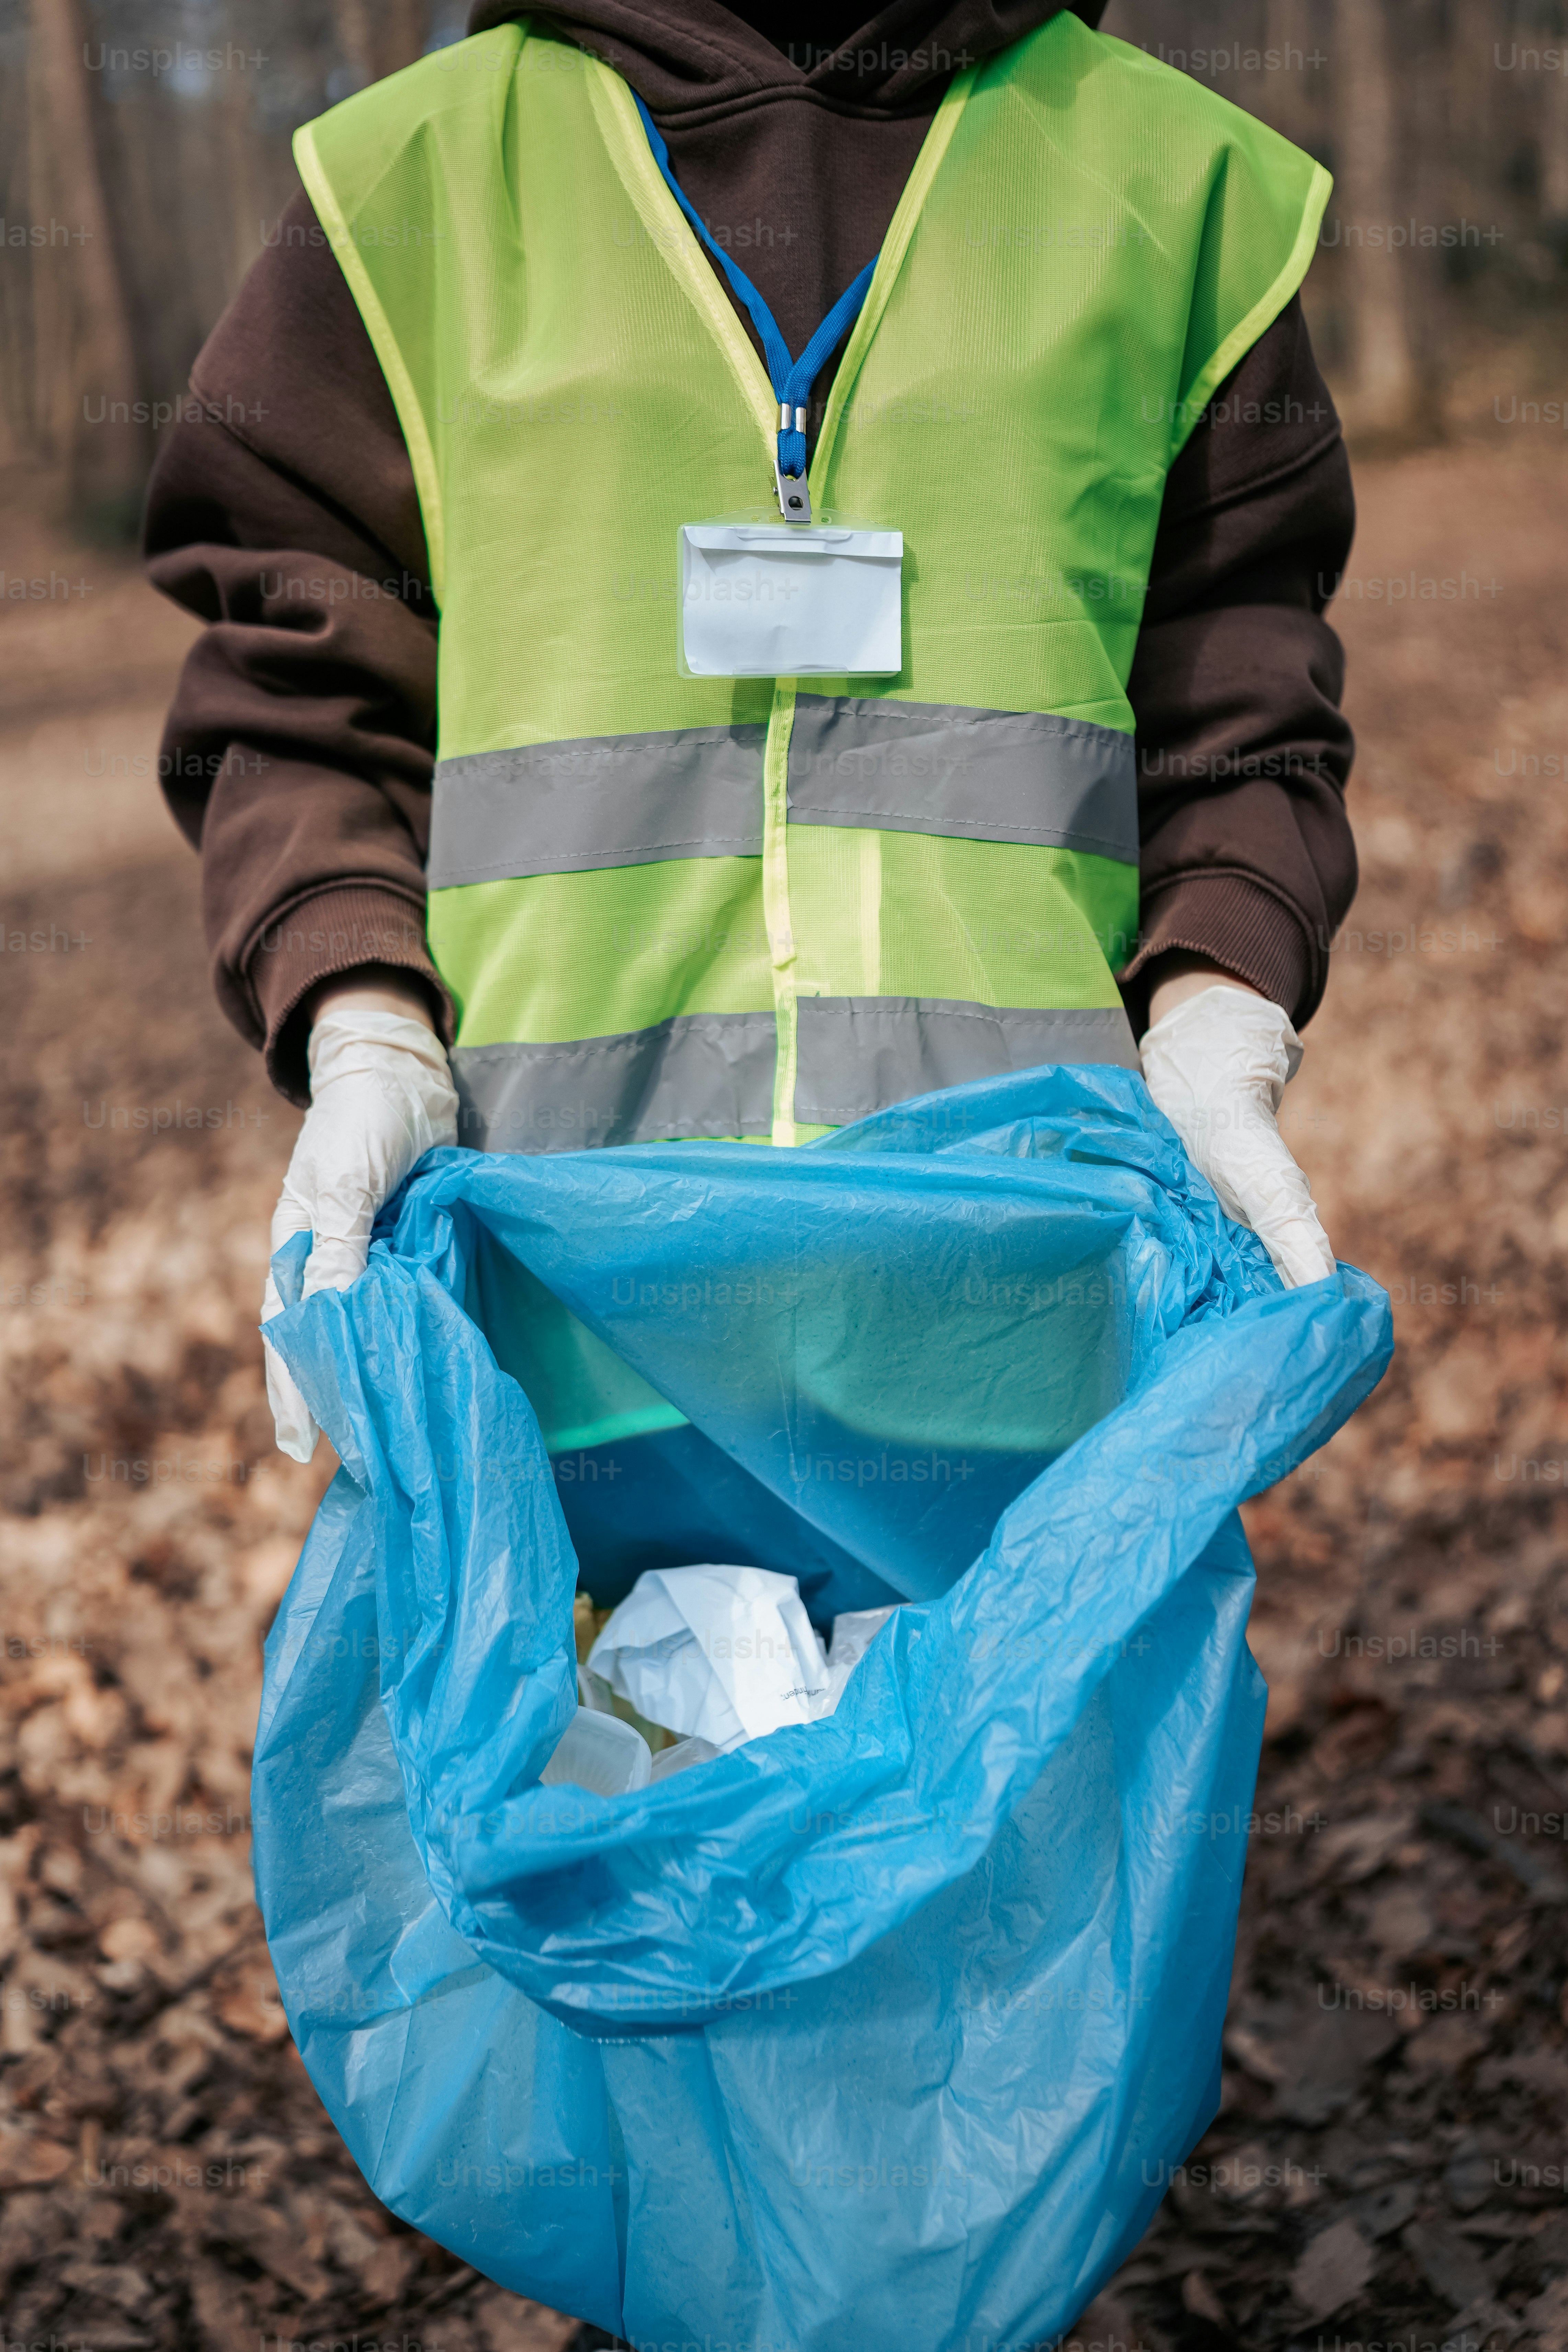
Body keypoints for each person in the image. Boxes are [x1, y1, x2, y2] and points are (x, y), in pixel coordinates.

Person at [145, 0, 1355, 1464]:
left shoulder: (1180, 189)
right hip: (554, 1358)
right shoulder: (406, 190)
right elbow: (291, 693)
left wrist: (1221, 985)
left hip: (1028, 1338)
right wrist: (357, 1014)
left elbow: (1242, 694)